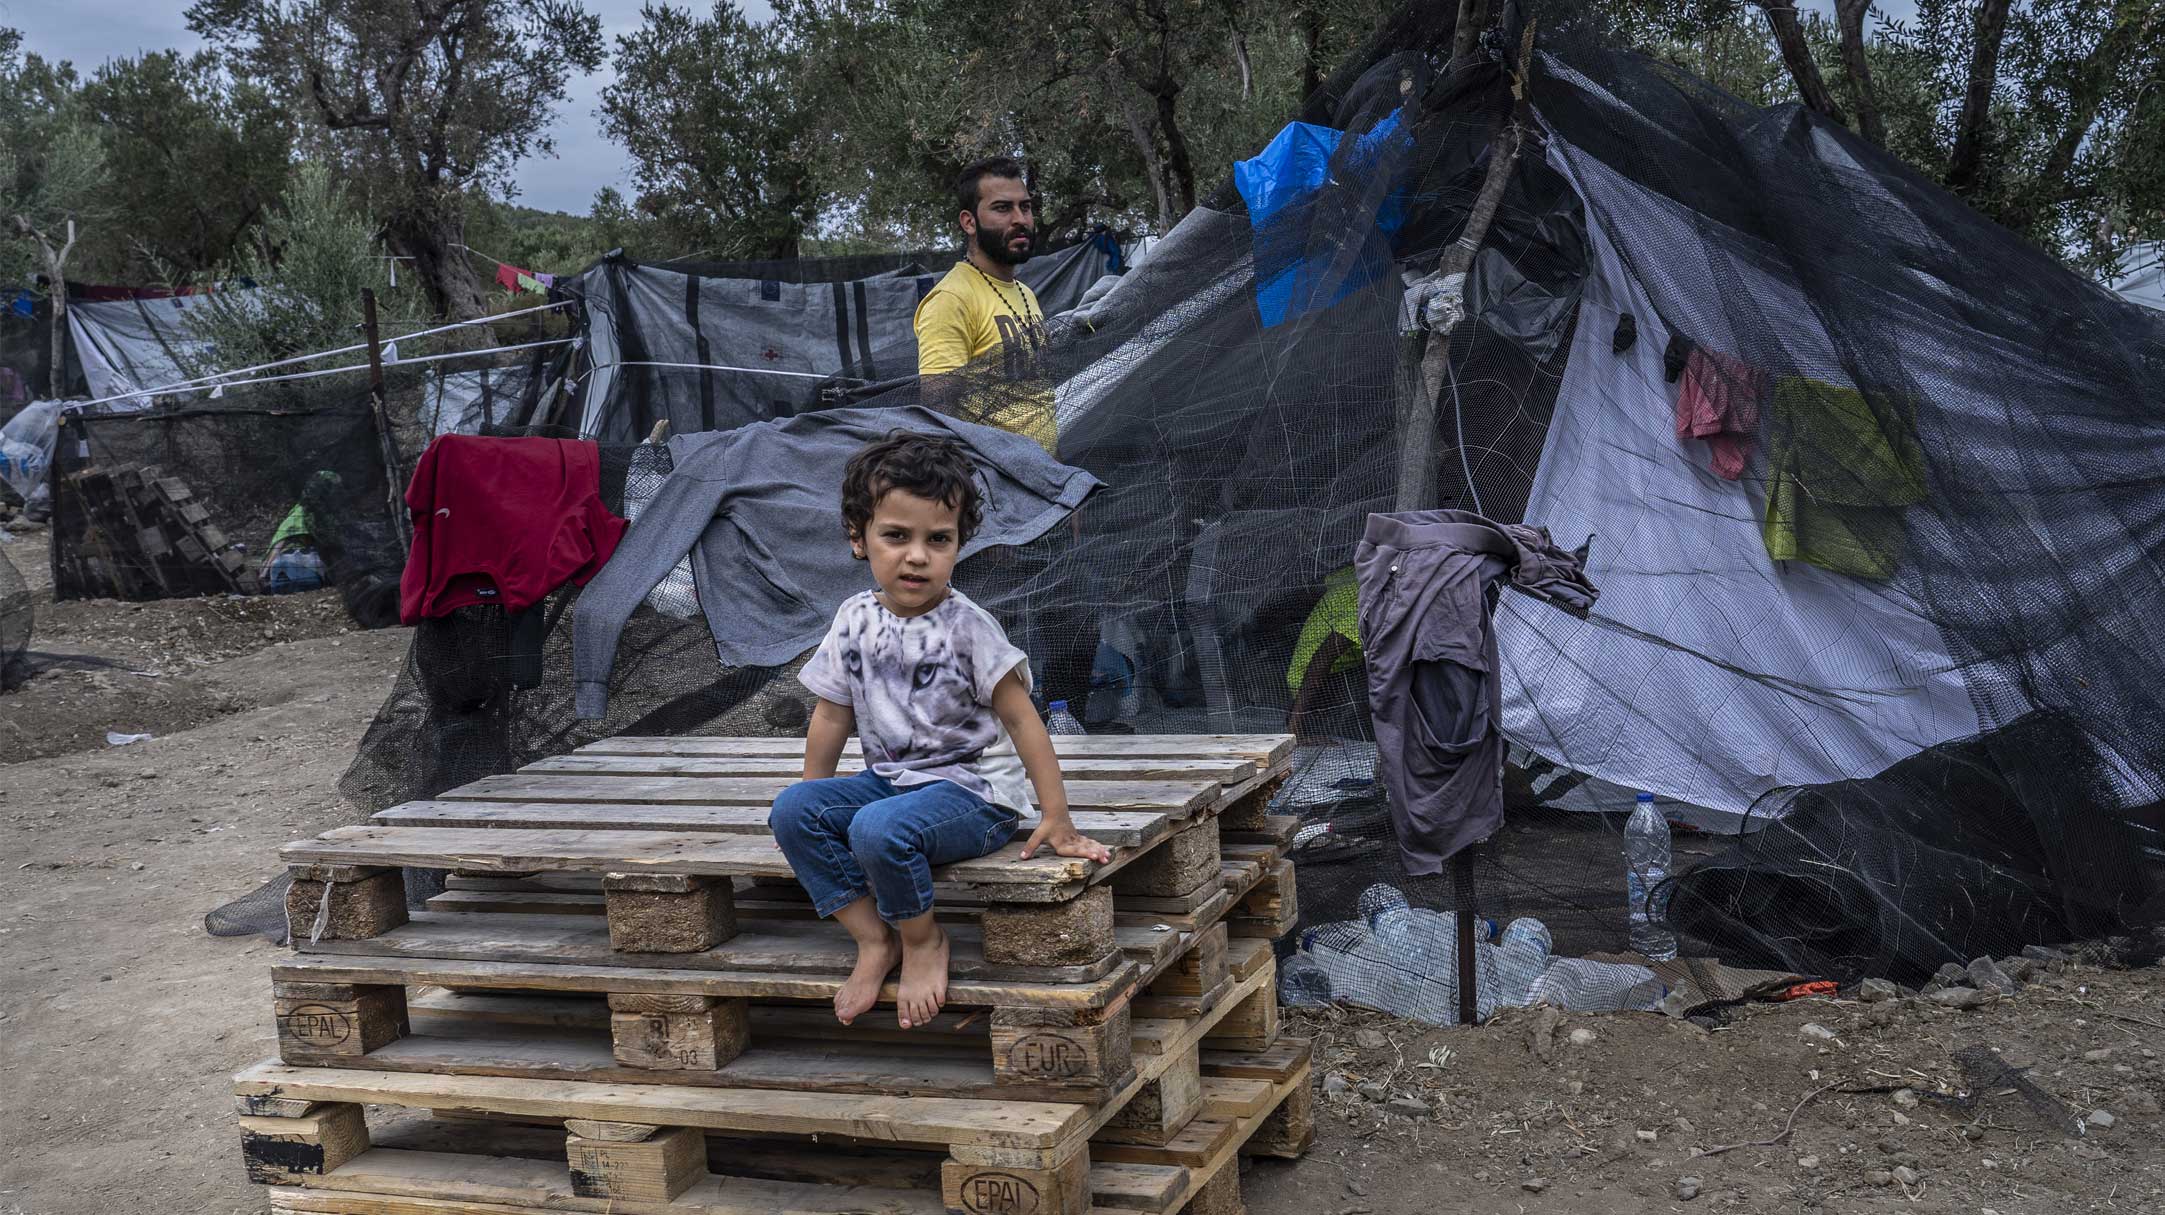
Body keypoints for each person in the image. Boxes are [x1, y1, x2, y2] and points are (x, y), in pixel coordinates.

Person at [768, 431, 1111, 1030]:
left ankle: (923, 940)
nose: (917, 556)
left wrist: (1056, 816)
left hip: (974, 795)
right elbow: (830, 715)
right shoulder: (853, 619)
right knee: (793, 808)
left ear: (960, 545)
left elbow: (1023, 720)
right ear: (859, 538)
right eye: (896, 536)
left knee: (878, 829)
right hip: (891, 783)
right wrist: (816, 810)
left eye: (938, 539)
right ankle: (876, 940)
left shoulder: (968, 628)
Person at [914, 156, 1054, 451]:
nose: (1020, 219)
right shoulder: (951, 300)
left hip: (1046, 478)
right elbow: (941, 419)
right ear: (969, 222)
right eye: (1002, 208)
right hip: (996, 485)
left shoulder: (1025, 293)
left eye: (1025, 207)